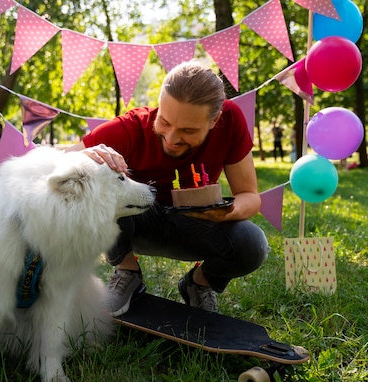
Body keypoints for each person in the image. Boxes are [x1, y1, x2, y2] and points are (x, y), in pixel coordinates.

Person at [67, 60, 269, 316]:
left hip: (195, 224)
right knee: (103, 192)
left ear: (214, 119)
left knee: (252, 243)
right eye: (164, 121)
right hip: (135, 224)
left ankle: (198, 284)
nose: (172, 138)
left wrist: (228, 212)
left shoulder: (230, 120)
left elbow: (249, 196)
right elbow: (53, 160)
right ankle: (127, 270)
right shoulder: (130, 128)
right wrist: (86, 153)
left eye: (187, 130)